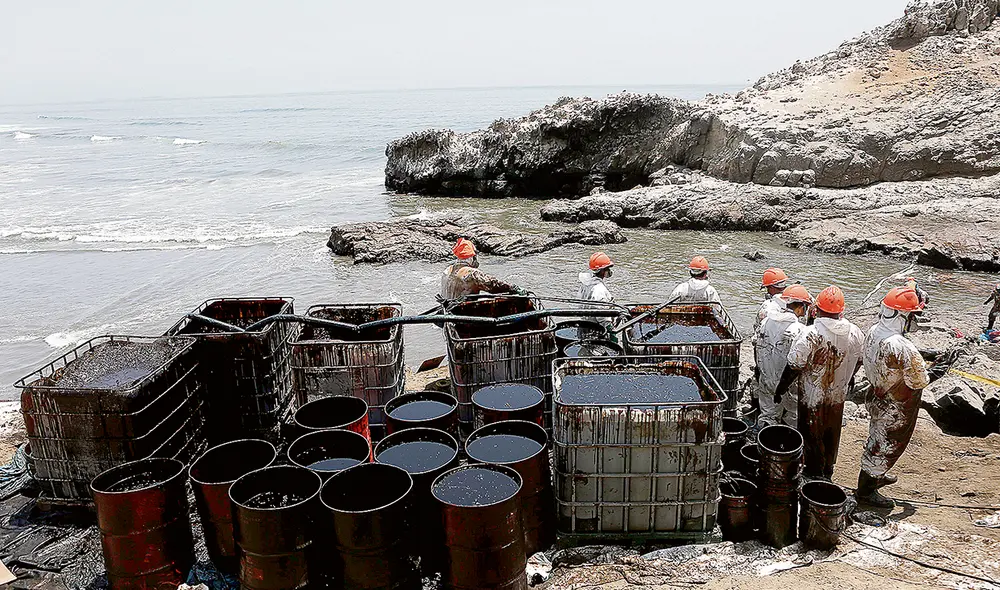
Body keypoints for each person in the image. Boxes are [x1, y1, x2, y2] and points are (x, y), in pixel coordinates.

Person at [779, 286, 864, 480]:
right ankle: (828, 470)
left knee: (810, 433)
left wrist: (781, 388)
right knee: (831, 432)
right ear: (841, 310)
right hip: (838, 394)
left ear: (816, 308)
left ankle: (812, 474)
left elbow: (794, 365)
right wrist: (849, 377)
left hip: (812, 395)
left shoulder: (811, 333)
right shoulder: (855, 332)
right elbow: (859, 360)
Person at [858, 286, 930, 508]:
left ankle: (876, 476)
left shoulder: (873, 331)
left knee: (877, 438)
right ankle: (866, 491)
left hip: (877, 395)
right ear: (904, 316)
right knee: (886, 445)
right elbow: (919, 381)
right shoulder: (900, 345)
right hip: (895, 404)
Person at [754, 284, 811, 427]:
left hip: (766, 378)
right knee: (793, 417)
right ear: (801, 306)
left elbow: (757, 346)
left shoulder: (766, 321)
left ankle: (764, 440)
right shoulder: (799, 330)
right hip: (786, 384)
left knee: (767, 415)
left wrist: (759, 371)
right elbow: (797, 363)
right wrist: (782, 387)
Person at [440, 238, 520, 300]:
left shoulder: (446, 271)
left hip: (447, 311)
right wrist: (514, 288)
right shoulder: (472, 273)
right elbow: (493, 285)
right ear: (472, 257)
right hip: (462, 313)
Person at [578, 252, 615, 331]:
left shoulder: (586, 283)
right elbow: (602, 317)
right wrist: (611, 331)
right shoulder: (599, 290)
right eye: (607, 269)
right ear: (602, 271)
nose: (609, 271)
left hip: (584, 325)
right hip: (595, 329)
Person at [755, 268, 789, 332]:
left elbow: (758, 328)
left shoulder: (767, 306)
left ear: (771, 287)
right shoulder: (799, 297)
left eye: (767, 288)